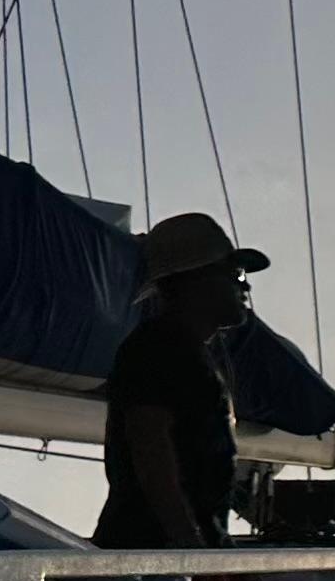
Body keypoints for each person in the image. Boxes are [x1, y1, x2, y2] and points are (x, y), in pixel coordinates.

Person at [94, 211, 263, 551]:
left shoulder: (177, 350)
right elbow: (151, 449)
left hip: (167, 552)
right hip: (152, 554)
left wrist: (212, 547)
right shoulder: (157, 349)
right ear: (197, 281)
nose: (245, 287)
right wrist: (188, 545)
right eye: (235, 274)